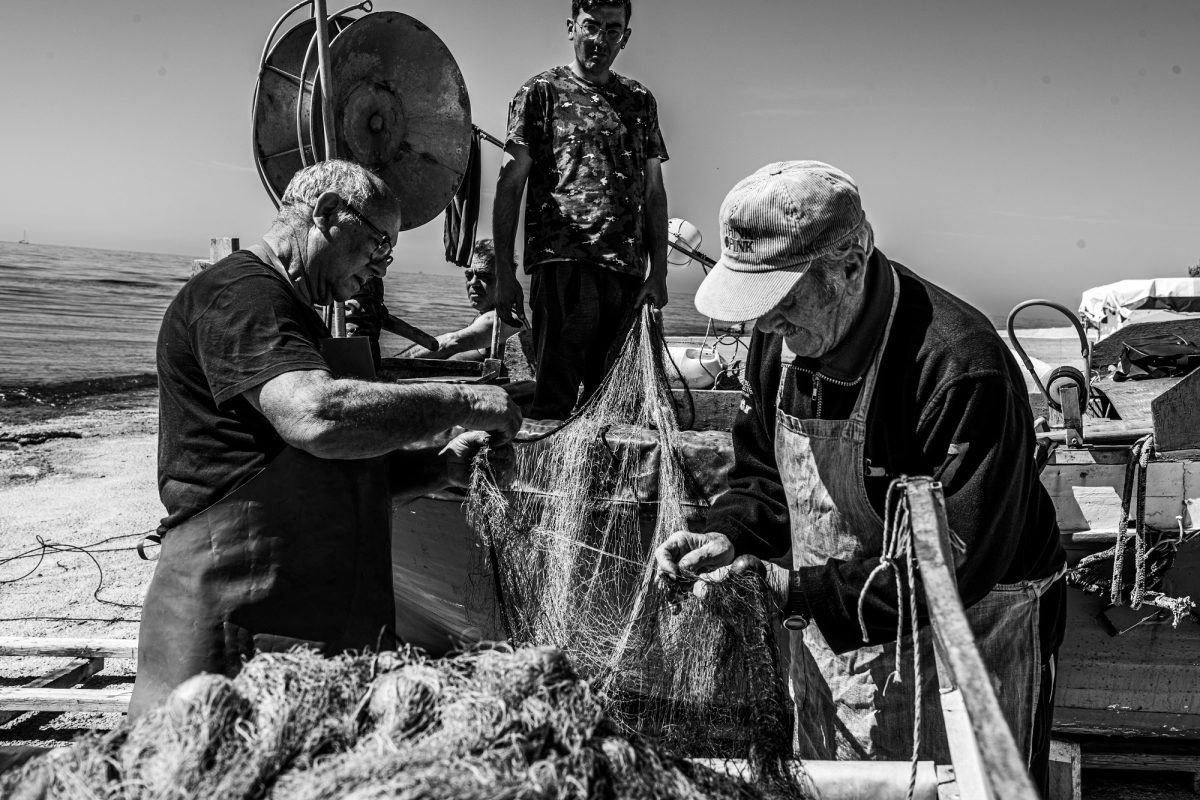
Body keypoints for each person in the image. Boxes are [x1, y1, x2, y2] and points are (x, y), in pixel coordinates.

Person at [654, 161, 1066, 793]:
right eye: (755, 304)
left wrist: (793, 591)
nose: (766, 324)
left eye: (782, 300)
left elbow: (958, 562)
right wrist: (729, 534)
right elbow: (762, 475)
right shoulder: (780, 338)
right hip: (840, 623)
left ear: (849, 264)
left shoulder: (957, 364)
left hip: (975, 632)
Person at [131, 160, 523, 719]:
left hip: (309, 627)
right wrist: (463, 401)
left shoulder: (299, 314)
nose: (381, 264)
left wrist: (438, 468)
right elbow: (315, 417)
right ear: (329, 212)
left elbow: (325, 470)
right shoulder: (243, 294)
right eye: (380, 243)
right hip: (239, 621)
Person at [491, 0, 669, 420]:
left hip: (626, 275)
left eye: (612, 29)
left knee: (616, 409)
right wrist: (503, 272)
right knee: (554, 402)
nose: (600, 39)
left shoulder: (640, 101)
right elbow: (509, 184)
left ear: (625, 37)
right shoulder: (541, 92)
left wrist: (658, 271)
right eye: (591, 26)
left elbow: (654, 193)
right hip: (562, 267)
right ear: (572, 28)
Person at [401, 240, 524, 362]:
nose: (473, 282)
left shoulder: (501, 320)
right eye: (469, 276)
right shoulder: (489, 316)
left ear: (507, 282)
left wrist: (395, 361)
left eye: (485, 276)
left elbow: (450, 343)